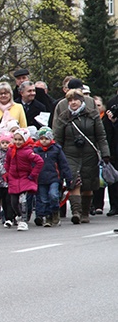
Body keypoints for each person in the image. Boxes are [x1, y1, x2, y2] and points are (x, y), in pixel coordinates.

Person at [53, 88, 109, 224]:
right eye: (70, 100)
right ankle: (76, 212)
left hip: (89, 153)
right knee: (73, 182)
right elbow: (58, 138)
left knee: (88, 185)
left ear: (81, 100)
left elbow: (101, 136)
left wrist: (105, 153)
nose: (73, 103)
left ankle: (85, 213)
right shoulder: (64, 117)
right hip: (70, 154)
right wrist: (55, 155)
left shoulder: (93, 115)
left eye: (75, 100)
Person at [3, 128, 43, 231]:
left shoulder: (28, 152)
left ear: (25, 140)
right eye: (15, 139)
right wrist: (6, 174)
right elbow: (7, 162)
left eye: (20, 140)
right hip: (13, 179)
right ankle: (19, 215)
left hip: (25, 178)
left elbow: (39, 162)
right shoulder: (10, 150)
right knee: (13, 202)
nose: (17, 142)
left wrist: (33, 175)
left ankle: (24, 221)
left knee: (23, 200)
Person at [33, 126, 72, 227]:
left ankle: (55, 211)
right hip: (40, 179)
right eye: (41, 139)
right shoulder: (35, 150)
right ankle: (48, 216)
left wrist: (68, 178)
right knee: (43, 199)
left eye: (46, 138)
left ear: (51, 139)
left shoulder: (56, 149)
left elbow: (63, 164)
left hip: (54, 178)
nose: (44, 141)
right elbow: (31, 164)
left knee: (53, 195)